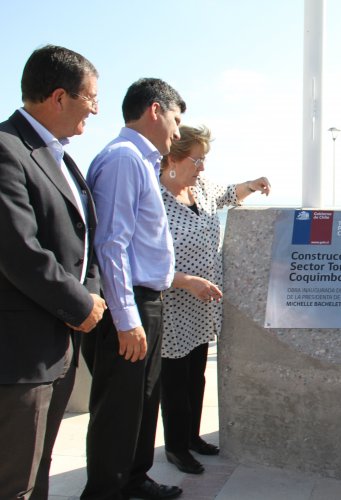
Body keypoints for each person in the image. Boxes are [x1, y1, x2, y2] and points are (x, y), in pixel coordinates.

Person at [0, 45, 106, 500]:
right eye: (91, 98)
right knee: (15, 481)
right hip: (22, 354)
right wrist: (80, 303)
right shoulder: (8, 149)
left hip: (60, 343)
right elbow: (19, 249)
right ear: (59, 97)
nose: (95, 109)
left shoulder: (59, 155)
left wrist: (93, 293)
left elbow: (83, 238)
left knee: (39, 467)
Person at [82, 78, 185, 500]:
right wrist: (126, 318)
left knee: (143, 401)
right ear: (155, 110)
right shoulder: (124, 159)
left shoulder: (140, 162)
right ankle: (107, 490)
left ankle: (135, 480)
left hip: (148, 301)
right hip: (132, 304)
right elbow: (112, 244)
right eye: (177, 120)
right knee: (119, 409)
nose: (178, 132)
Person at [159, 125, 270, 474]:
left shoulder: (201, 189)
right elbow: (144, 258)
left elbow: (226, 194)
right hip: (173, 304)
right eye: (197, 160)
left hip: (203, 304)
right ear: (172, 160)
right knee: (174, 381)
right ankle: (176, 447)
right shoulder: (152, 198)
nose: (202, 168)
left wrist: (252, 185)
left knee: (196, 375)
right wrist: (184, 281)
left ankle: (192, 437)